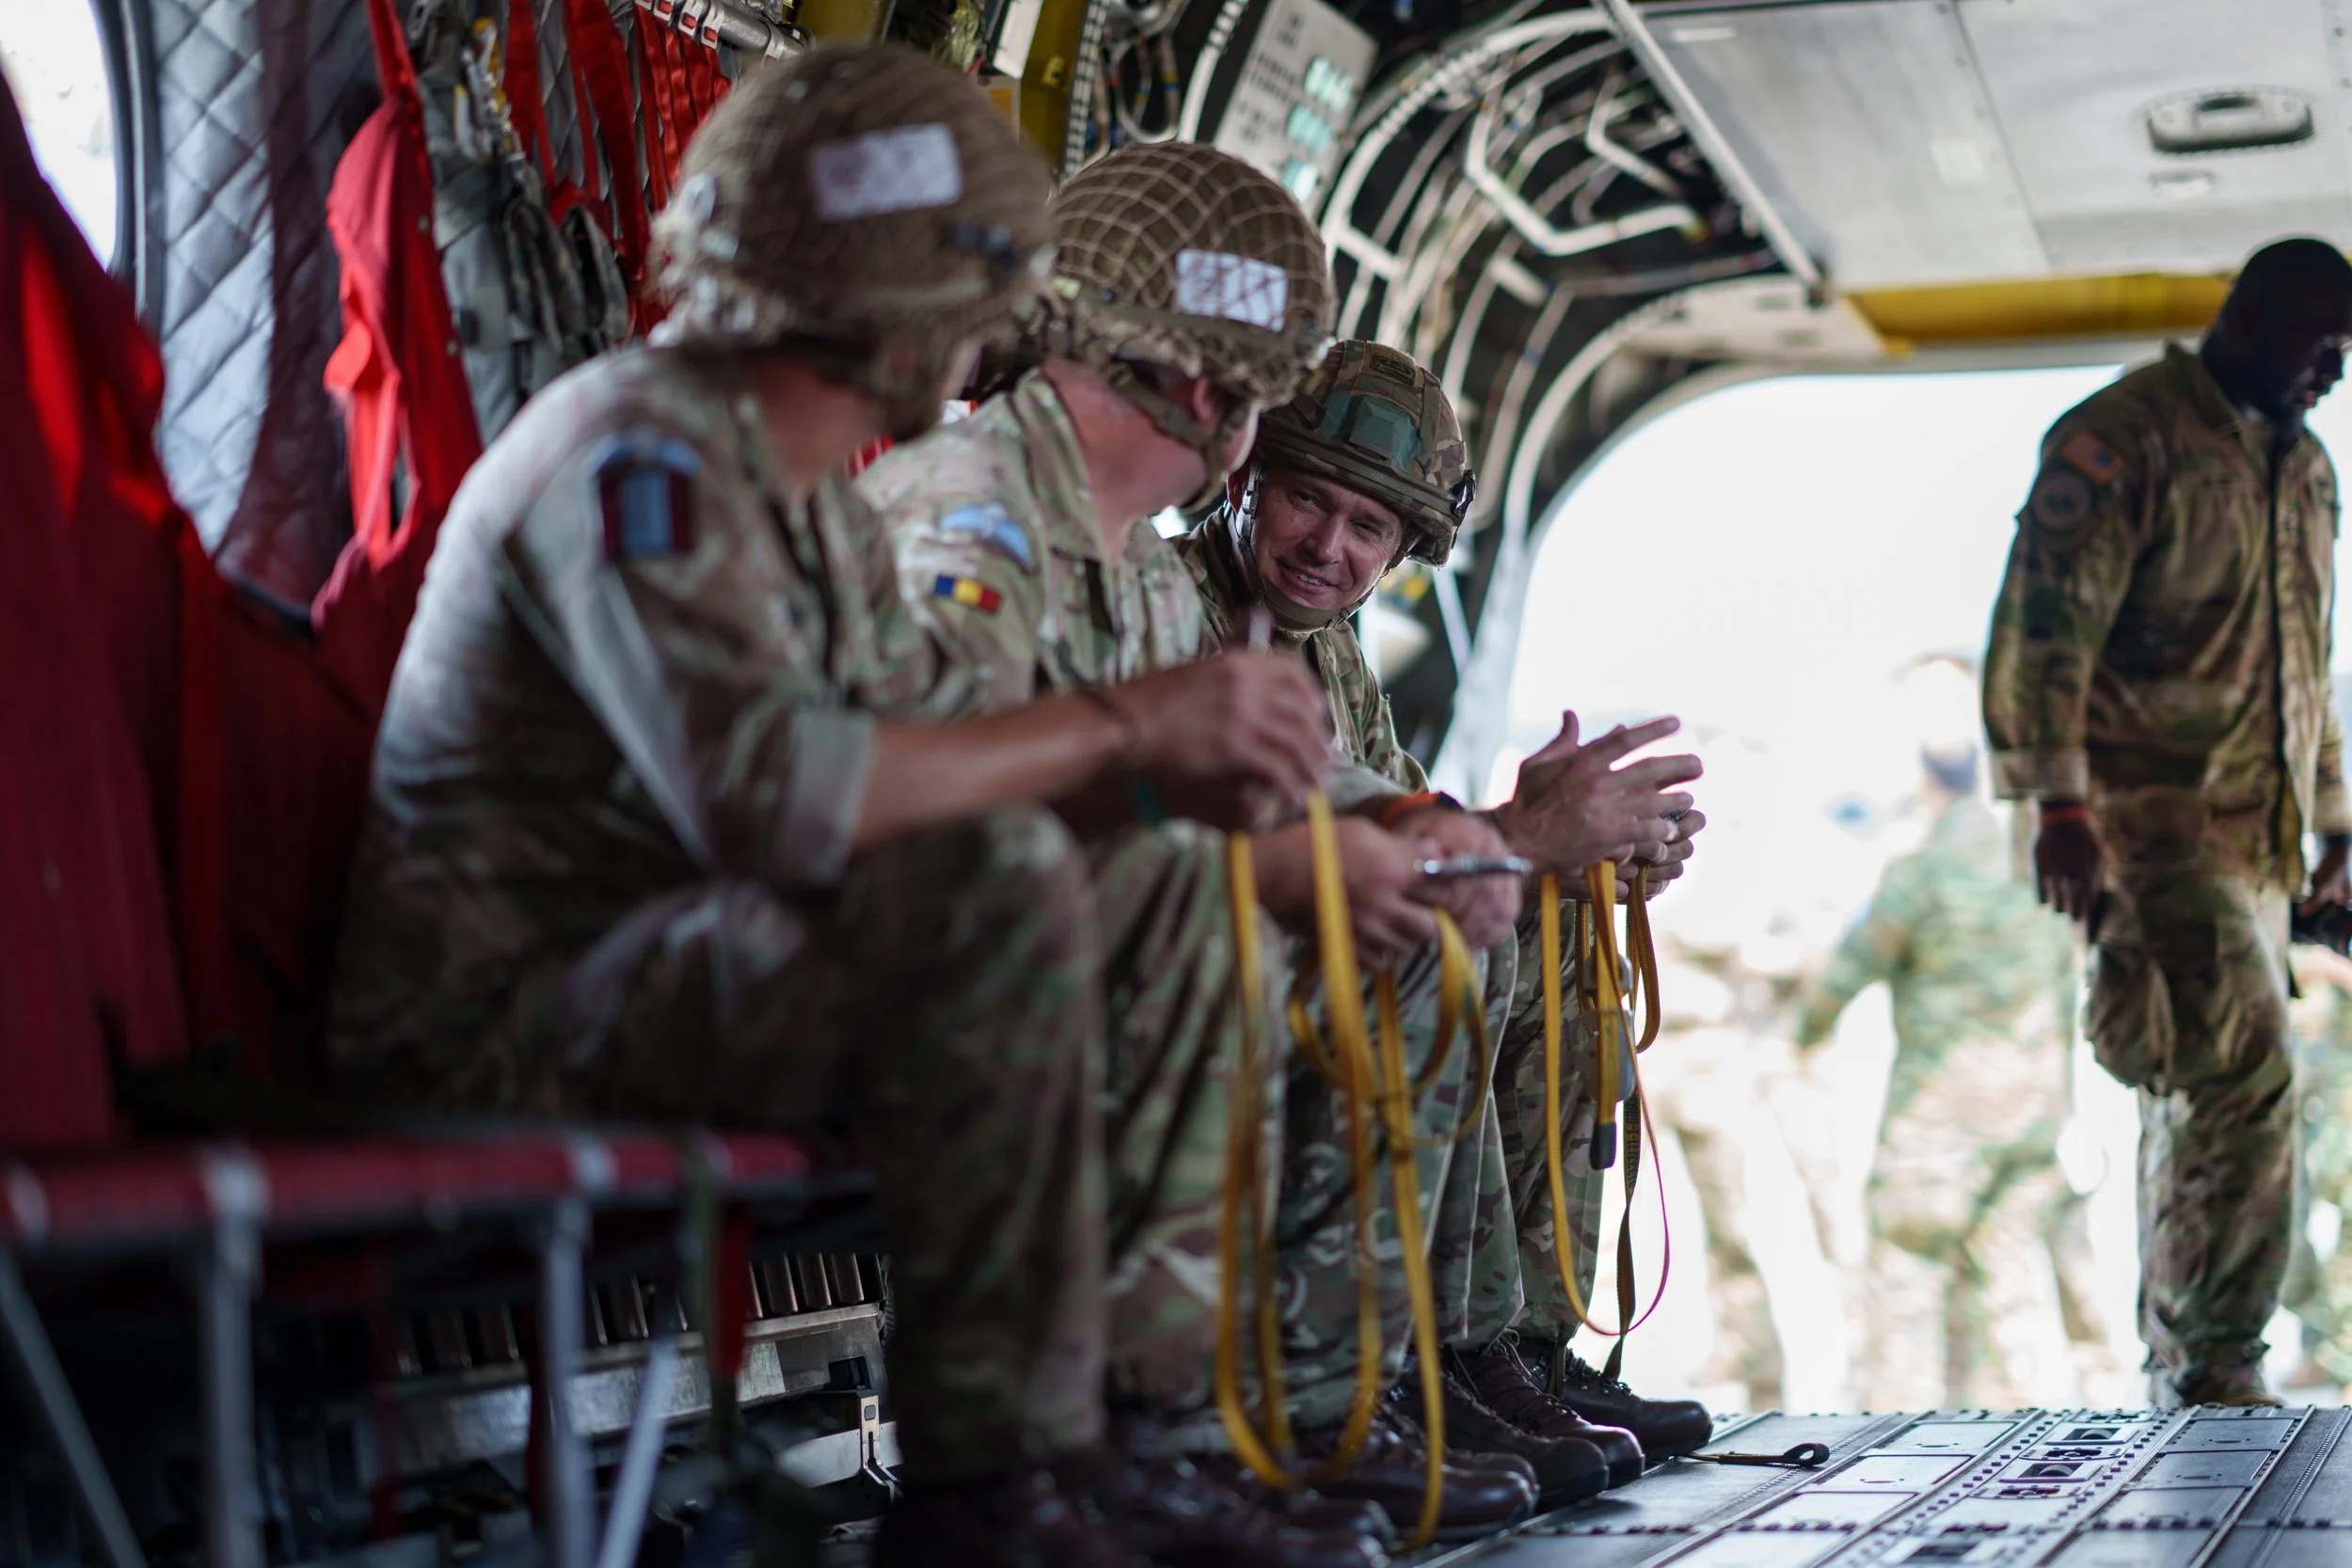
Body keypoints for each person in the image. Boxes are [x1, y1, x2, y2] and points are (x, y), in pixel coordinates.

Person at [326, 46, 1377, 1568]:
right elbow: (772, 796)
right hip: (514, 1009)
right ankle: (986, 1495)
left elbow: (941, 734)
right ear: (892, 296)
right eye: (970, 290)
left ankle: (1128, 1443)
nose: (995, 328)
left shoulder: (801, 486)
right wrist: (1127, 724)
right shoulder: (640, 457)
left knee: (1160, 883)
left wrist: (1159, 783)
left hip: (694, 971)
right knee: (999, 881)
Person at [863, 146, 1561, 1541]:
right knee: (1209, 912)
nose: (1326, 537)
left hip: (1014, 955)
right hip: (908, 976)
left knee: (1407, 927)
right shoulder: (977, 515)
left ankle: (1305, 1413)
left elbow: (1280, 767)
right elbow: (936, 818)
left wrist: (1431, 836)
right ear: (1215, 399)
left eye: (1375, 524)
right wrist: (1281, 859)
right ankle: (1126, 1446)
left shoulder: (1121, 556)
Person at [1171, 339, 1712, 1473]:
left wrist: (1582, 854)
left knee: (1551, 929)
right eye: (1305, 500)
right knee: (1449, 935)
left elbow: (1405, 811)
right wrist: (1504, 846)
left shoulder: (1329, 654)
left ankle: (1507, 1346)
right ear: (1239, 482)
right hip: (1191, 968)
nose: (1329, 546)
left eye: (1369, 528)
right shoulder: (1172, 612)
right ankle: (1397, 1363)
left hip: (1289, 954)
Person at [1983, 235, 2352, 1408]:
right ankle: (2216, 1355)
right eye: (2320, 346)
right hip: (2148, 825)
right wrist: (2055, 806)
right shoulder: (2122, 438)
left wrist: (2335, 822)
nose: (2334, 374)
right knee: (2243, 1073)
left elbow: (2308, 659)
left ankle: (2182, 1355)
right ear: (2246, 321)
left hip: (2262, 831)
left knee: (2201, 1083)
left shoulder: (2307, 470)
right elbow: (2043, 634)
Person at [1793, 733, 2090, 1410]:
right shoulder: (2043, 881)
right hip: (2029, 1125)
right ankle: (2009, 1462)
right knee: (2007, 1302)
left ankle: (1891, 1473)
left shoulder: (1918, 874)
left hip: (1934, 1134)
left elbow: (1840, 979)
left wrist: (1805, 1036)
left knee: (1904, 1300)